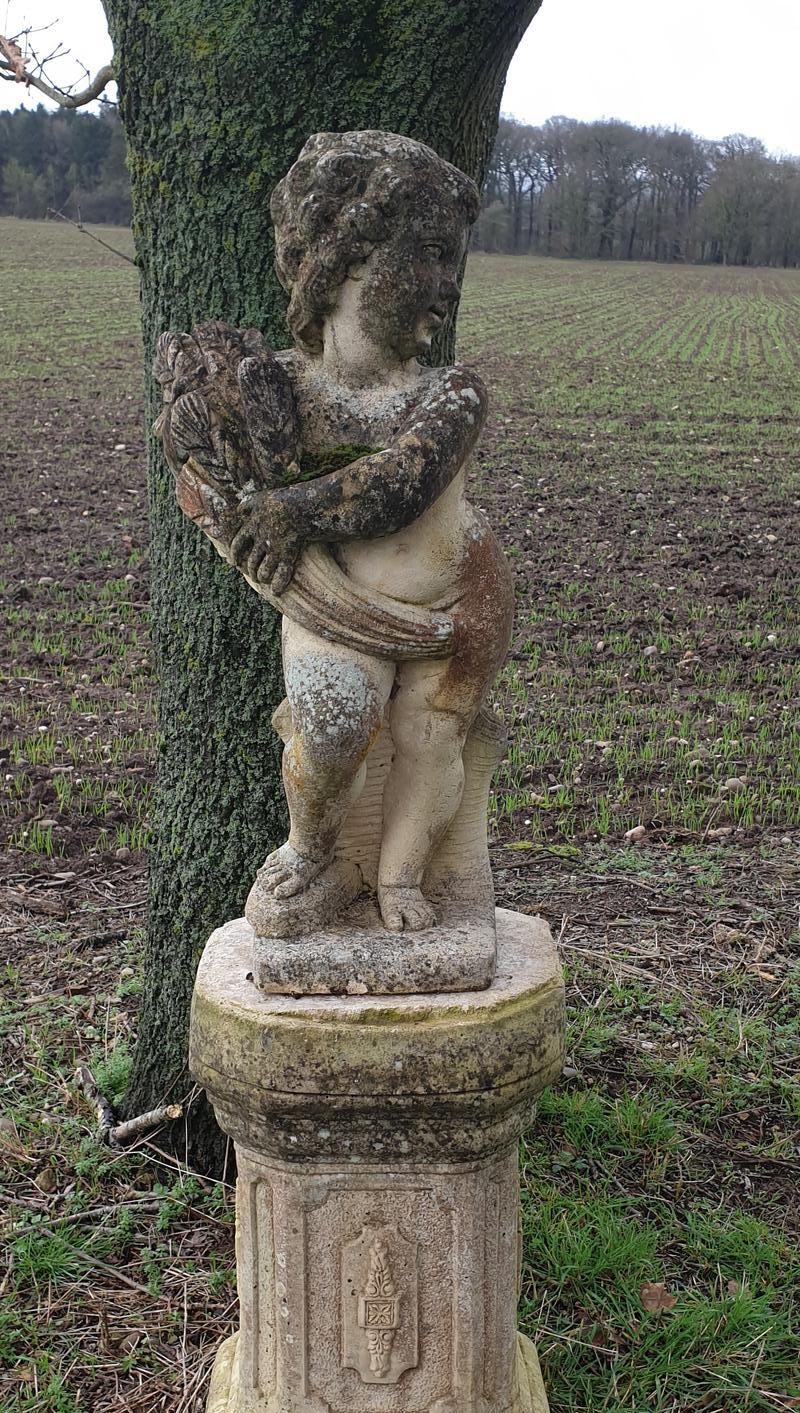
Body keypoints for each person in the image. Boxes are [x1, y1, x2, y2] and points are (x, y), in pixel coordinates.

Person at [230, 130, 514, 934]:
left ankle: (400, 879)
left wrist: (291, 511)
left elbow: (401, 484)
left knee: (430, 740)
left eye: (453, 263)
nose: (447, 289)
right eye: (430, 254)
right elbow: (241, 494)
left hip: (461, 607)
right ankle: (312, 853)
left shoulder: (451, 392)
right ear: (348, 257)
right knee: (331, 721)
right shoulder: (275, 385)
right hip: (339, 605)